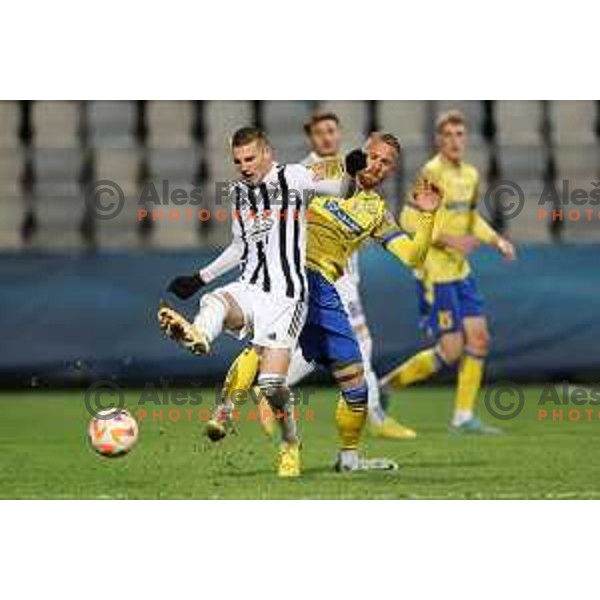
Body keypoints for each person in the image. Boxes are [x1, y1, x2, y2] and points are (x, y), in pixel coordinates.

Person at [218, 112, 415, 441]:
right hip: (312, 270)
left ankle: (267, 391)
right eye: (320, 132)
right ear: (310, 136)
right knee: (348, 344)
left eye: (332, 131)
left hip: (341, 274)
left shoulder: (350, 167)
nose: (327, 138)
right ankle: (374, 416)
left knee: (312, 348)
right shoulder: (312, 170)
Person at [158, 126, 329, 477]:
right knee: (215, 300)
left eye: (250, 158)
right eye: (237, 161)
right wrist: (200, 277)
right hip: (251, 286)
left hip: (286, 296)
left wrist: (354, 171)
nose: (244, 166)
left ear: (267, 152)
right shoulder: (239, 193)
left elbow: (342, 186)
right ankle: (200, 336)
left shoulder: (293, 177)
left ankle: (290, 444)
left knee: (270, 385)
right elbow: (240, 246)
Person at [380, 110, 516, 434]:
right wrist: (452, 240)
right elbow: (409, 220)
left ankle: (463, 416)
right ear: (439, 140)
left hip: (460, 271)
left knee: (480, 340)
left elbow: (470, 218)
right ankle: (385, 385)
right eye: (449, 135)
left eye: (460, 134)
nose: (455, 141)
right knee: (451, 351)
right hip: (435, 274)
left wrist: (497, 240)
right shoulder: (432, 171)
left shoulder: (469, 174)